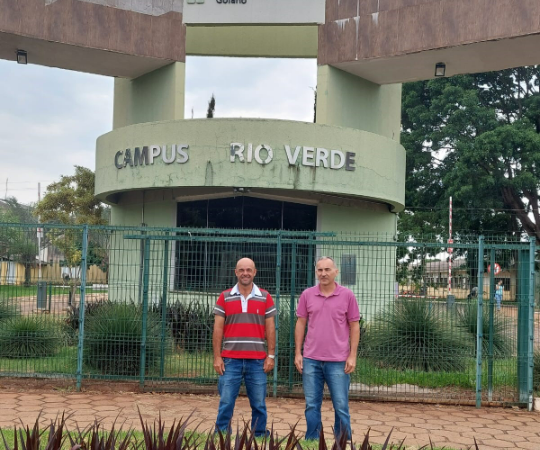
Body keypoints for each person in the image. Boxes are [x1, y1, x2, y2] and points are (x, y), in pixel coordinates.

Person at [294, 256, 361, 440]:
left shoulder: (347, 295)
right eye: (320, 270)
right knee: (312, 404)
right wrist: (298, 353)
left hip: (338, 361)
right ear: (316, 272)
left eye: (327, 270)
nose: (323, 273)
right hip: (311, 359)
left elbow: (355, 325)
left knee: (340, 404)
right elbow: (301, 323)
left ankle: (342, 440)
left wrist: (352, 355)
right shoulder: (307, 295)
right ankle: (313, 439)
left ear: (336, 272)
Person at [213, 257, 277, 437]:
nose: (245, 273)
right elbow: (218, 329)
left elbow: (270, 329)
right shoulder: (225, 297)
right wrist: (217, 357)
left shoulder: (265, 297)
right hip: (230, 360)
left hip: (257, 361)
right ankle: (221, 434)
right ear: (236, 272)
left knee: (258, 403)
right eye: (241, 270)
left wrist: (270, 356)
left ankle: (259, 434)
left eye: (249, 270)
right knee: (226, 401)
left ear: (255, 272)